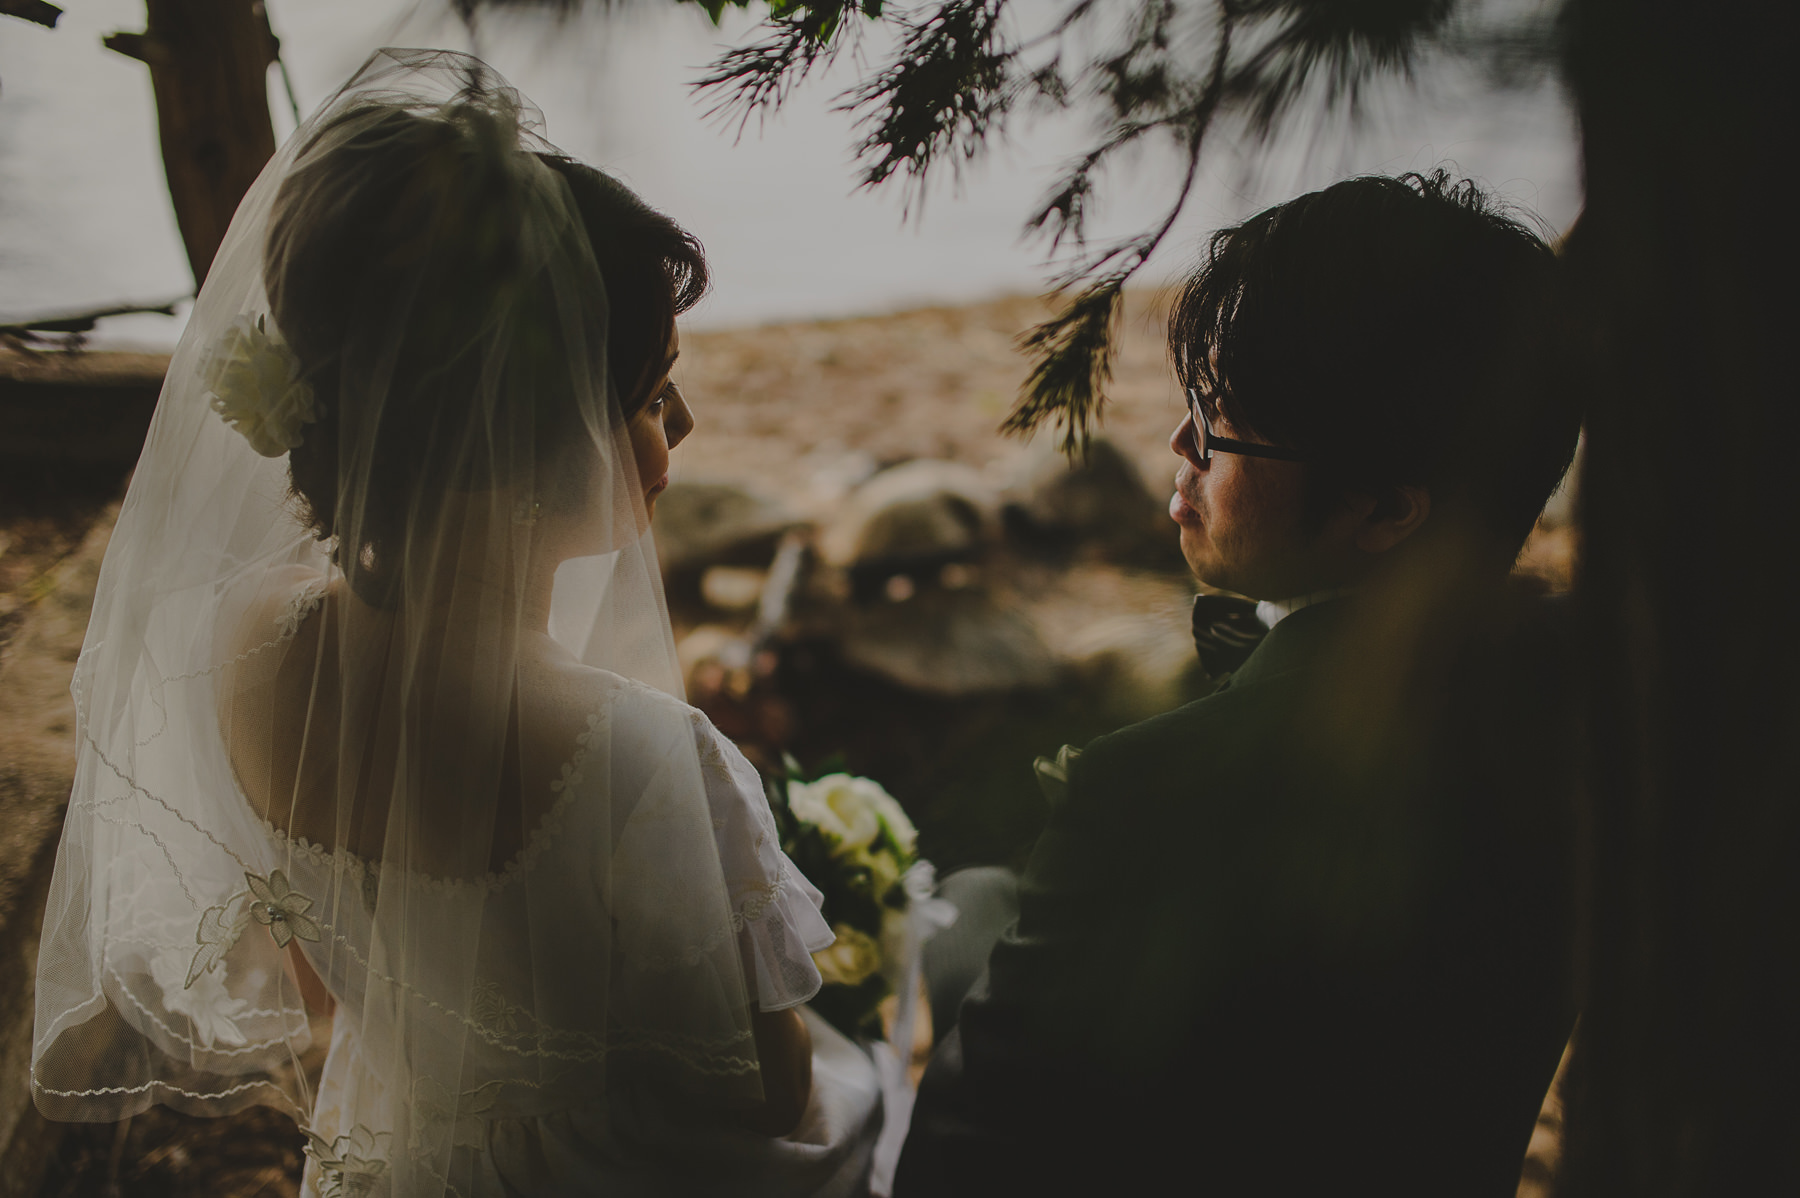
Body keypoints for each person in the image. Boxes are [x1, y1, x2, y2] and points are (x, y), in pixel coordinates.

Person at [31, 50, 880, 1197]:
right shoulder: (644, 763)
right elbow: (766, 1090)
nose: (686, 418)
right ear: (521, 436)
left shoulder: (244, 650)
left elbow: (341, 974)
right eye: (645, 393)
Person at [895, 172, 1583, 1195]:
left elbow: (962, 1167)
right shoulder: (1580, 723)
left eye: (1221, 421)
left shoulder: (1154, 789)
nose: (1180, 445)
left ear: (1387, 508)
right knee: (980, 898)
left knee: (947, 925)